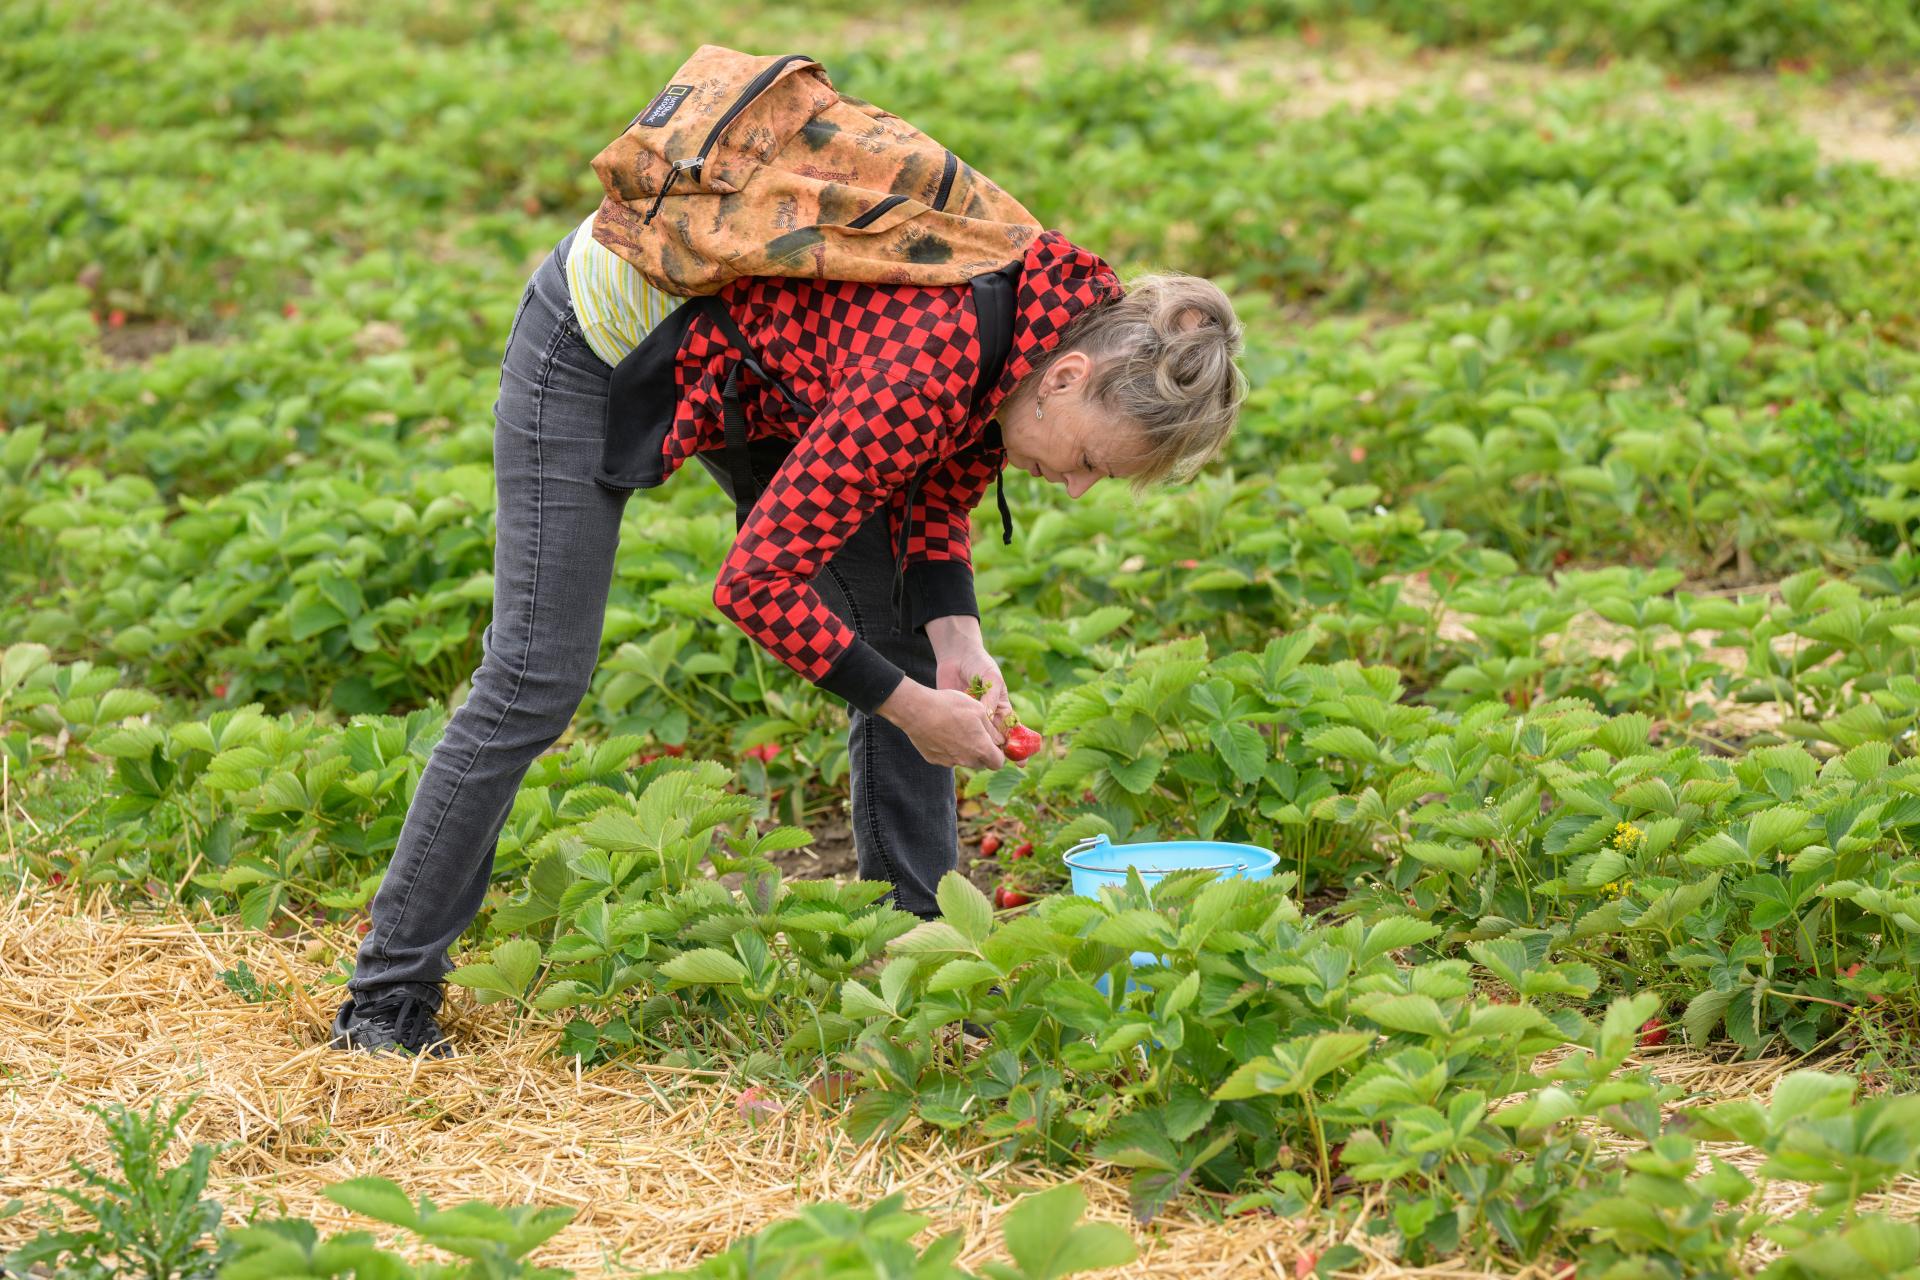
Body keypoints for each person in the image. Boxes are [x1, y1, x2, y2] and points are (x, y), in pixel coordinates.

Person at [330, 207, 1246, 1056]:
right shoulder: (932, 364)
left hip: (766, 370)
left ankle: (924, 973)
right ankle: (387, 999)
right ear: (1067, 378)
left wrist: (955, 638)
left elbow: (935, 477)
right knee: (537, 675)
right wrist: (908, 708)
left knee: (903, 637)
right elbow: (757, 584)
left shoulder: (1043, 326)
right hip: (606, 339)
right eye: (1087, 460)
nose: (1077, 487)